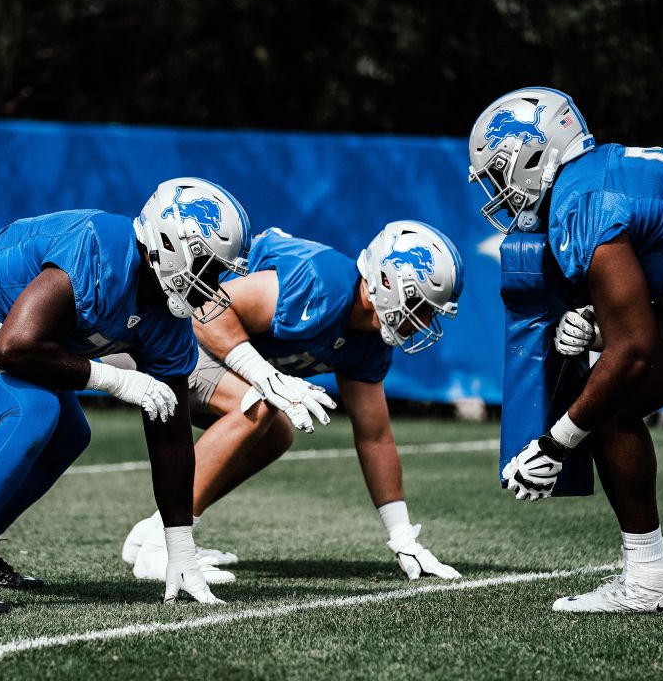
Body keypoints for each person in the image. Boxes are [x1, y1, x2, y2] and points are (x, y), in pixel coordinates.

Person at [0, 177, 251, 612]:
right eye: (209, 267)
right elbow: (14, 349)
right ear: (170, 243)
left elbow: (171, 435)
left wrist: (179, 546)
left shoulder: (166, 317)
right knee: (32, 411)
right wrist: (119, 380)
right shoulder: (98, 247)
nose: (214, 283)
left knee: (70, 433)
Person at [466, 87, 663, 613]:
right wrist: (598, 323)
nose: (501, 192)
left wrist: (555, 443)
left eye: (501, 173)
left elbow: (633, 350)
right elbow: (657, 290)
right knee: (610, 409)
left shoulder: (579, 200)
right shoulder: (593, 177)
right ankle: (648, 580)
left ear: (535, 154)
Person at [119, 223, 466, 583]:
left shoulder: (369, 340)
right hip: (169, 334)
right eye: (421, 306)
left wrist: (402, 537)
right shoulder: (319, 284)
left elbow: (375, 437)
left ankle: (155, 530)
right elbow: (206, 307)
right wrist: (265, 378)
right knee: (258, 404)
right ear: (389, 282)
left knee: (276, 433)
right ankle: (164, 548)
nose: (424, 321)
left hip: (206, 347)